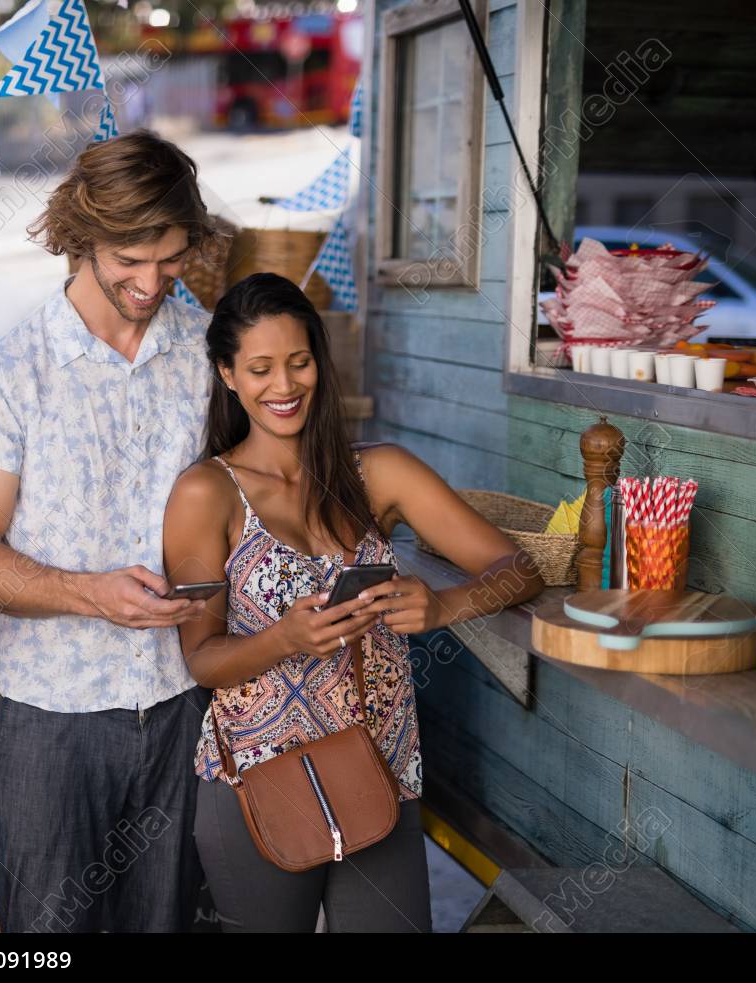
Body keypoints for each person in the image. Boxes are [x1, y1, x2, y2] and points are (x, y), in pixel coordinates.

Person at [163, 273, 545, 933]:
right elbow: (201, 657)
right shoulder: (206, 493)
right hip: (258, 779)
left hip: (380, 771)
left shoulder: (381, 472)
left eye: (299, 362)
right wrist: (283, 639)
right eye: (259, 368)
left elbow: (521, 567)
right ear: (227, 374)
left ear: (321, 361)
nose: (283, 386)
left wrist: (447, 605)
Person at [0, 131, 229, 933]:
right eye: (129, 260)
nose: (150, 283)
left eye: (170, 259)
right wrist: (88, 594)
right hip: (52, 720)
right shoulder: (10, 374)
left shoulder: (206, 349)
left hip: (181, 702)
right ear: (81, 236)